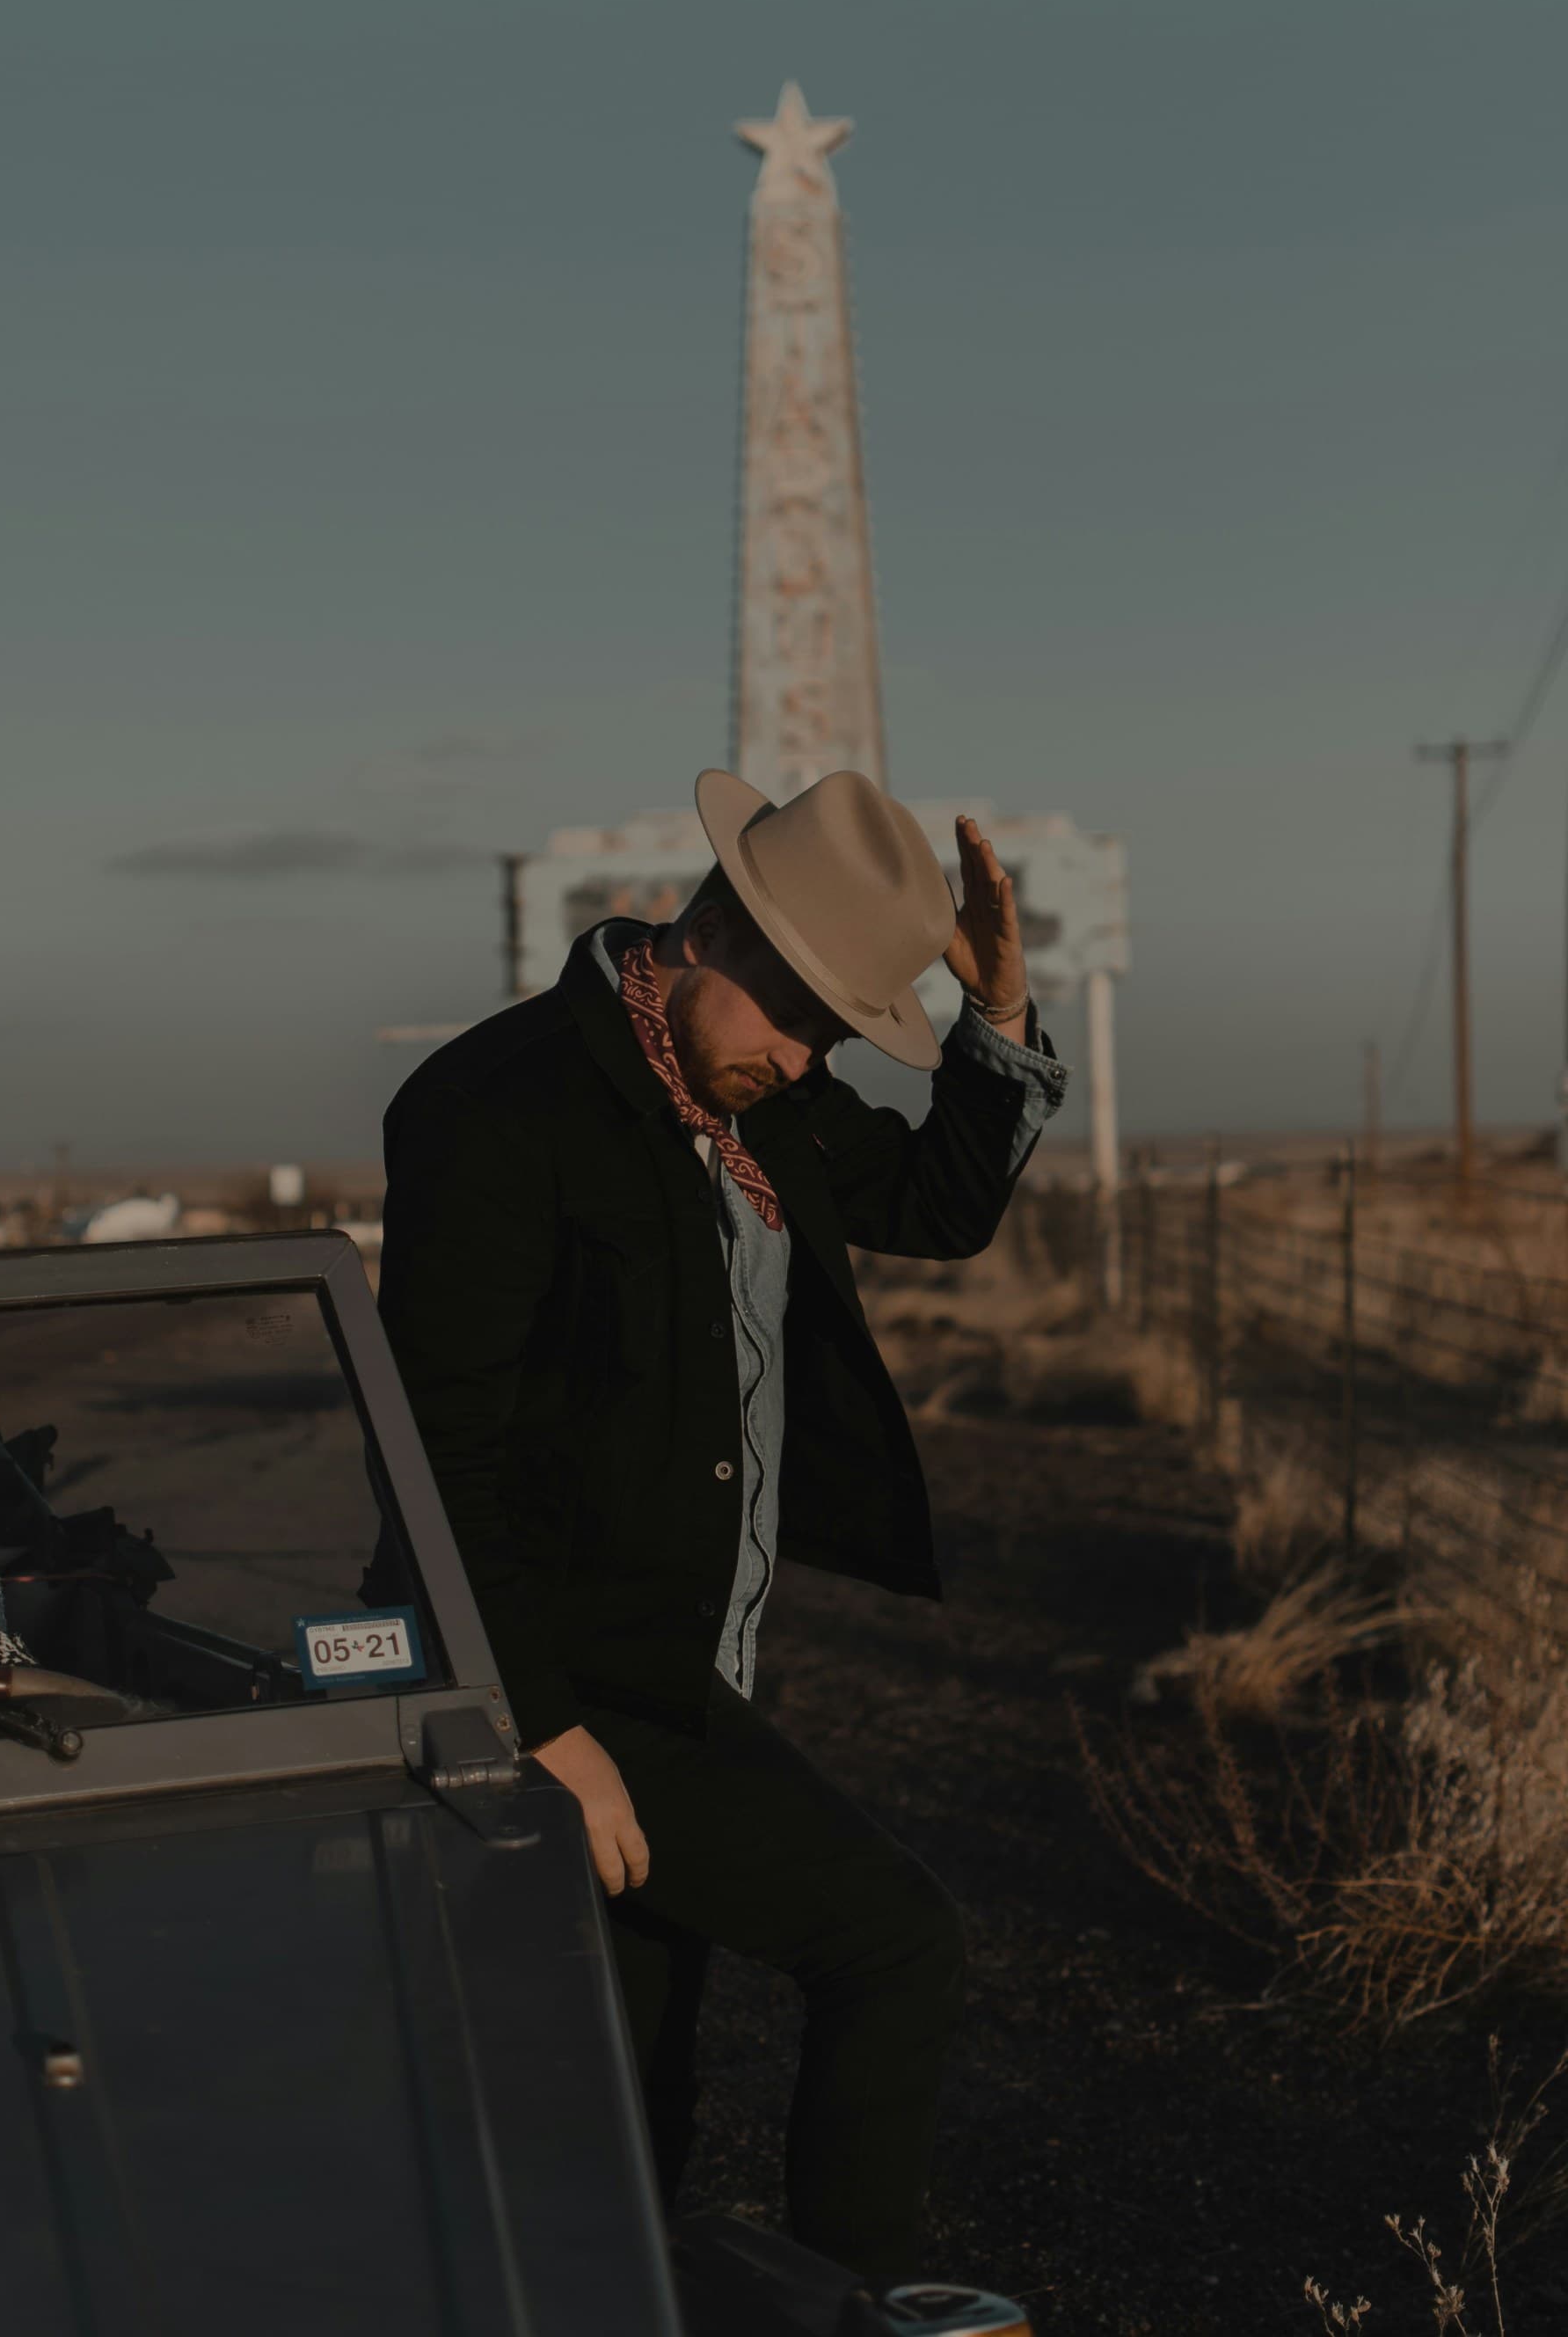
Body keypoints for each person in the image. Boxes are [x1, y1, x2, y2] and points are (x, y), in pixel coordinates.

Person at [373, 766, 1065, 2290]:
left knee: (629, 2100)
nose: (808, 1055)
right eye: (796, 1015)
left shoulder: (767, 1104)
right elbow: (432, 1453)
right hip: (565, 1678)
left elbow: (944, 1204)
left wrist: (997, 1020)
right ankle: (864, 2319)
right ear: (705, 932)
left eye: (834, 1030)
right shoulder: (501, 1108)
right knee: (893, 1944)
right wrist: (540, 1728)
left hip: (690, 1661)